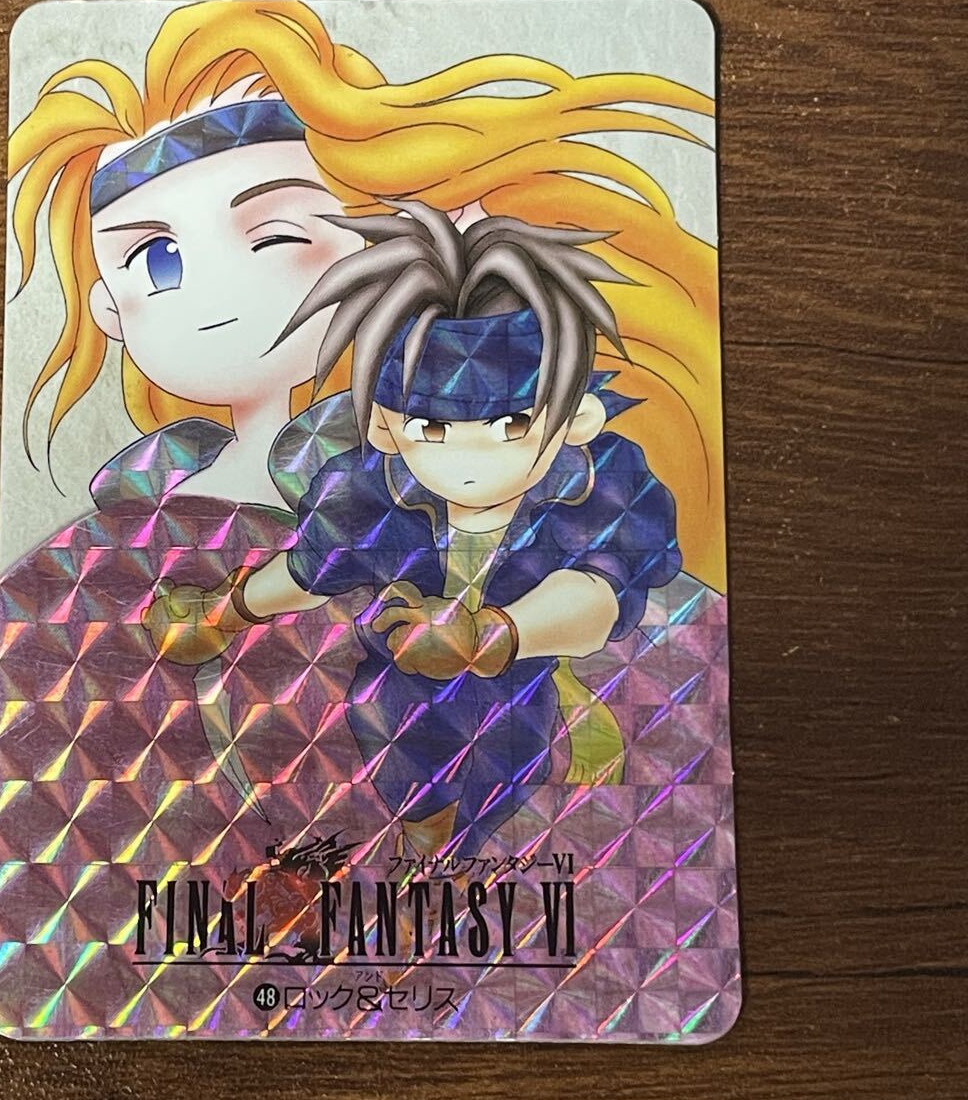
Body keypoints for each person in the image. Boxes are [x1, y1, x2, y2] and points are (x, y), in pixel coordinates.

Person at [143, 205, 681, 855]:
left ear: (577, 419)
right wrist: (222, 614)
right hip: (401, 688)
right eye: (431, 428)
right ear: (385, 428)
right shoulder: (370, 491)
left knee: (503, 748)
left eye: (512, 426)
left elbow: (598, 596)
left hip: (529, 688)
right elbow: (315, 568)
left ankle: (454, 852)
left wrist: (489, 637)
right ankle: (426, 839)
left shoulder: (601, 483)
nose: (469, 459)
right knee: (393, 723)